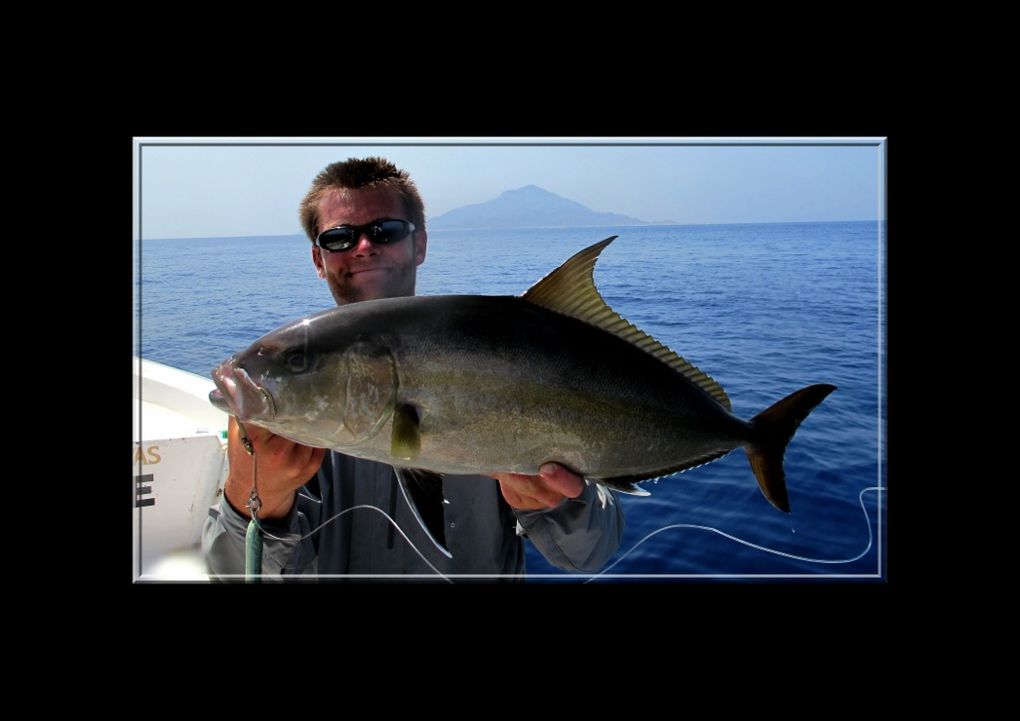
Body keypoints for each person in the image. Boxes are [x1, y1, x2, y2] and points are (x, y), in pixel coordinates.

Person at [202, 157, 625, 581]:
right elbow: (231, 575)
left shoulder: (497, 353)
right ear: (318, 258)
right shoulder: (275, 433)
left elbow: (588, 554)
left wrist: (558, 505)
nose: (363, 247)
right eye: (339, 238)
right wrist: (251, 495)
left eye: (385, 231)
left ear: (419, 244)